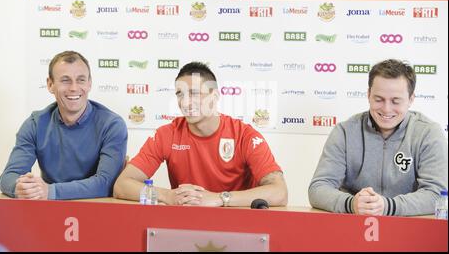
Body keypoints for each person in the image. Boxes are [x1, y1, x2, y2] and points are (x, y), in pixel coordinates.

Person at [113, 62, 288, 207]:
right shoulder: (166, 134)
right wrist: (167, 196)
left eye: (194, 93)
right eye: (180, 94)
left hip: (239, 227)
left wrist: (220, 198)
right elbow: (122, 185)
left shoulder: (245, 135)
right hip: (187, 226)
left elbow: (280, 192)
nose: (185, 102)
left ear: (215, 96)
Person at [308, 59, 447, 216]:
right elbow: (318, 189)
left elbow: (437, 194)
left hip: (411, 231)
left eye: (396, 101)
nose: (387, 109)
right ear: (368, 95)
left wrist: (388, 206)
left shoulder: (428, 133)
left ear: (411, 99)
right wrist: (351, 203)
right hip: (352, 230)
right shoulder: (344, 132)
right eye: (379, 99)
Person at [0, 51, 128, 200]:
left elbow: (105, 183)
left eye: (80, 80)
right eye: (65, 80)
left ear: (89, 83)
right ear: (50, 84)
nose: (74, 88)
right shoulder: (35, 124)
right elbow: (7, 178)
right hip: (50, 212)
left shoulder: (112, 125)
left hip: (97, 209)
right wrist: (21, 187)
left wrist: (50, 191)